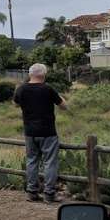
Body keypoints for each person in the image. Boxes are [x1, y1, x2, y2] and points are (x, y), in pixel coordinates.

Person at [13, 63, 68, 202]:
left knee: (32, 161)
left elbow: (15, 104)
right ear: (44, 74)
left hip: (30, 132)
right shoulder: (48, 89)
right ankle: (49, 194)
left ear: (30, 74)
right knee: (50, 162)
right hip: (47, 131)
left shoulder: (21, 89)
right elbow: (64, 106)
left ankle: (32, 192)